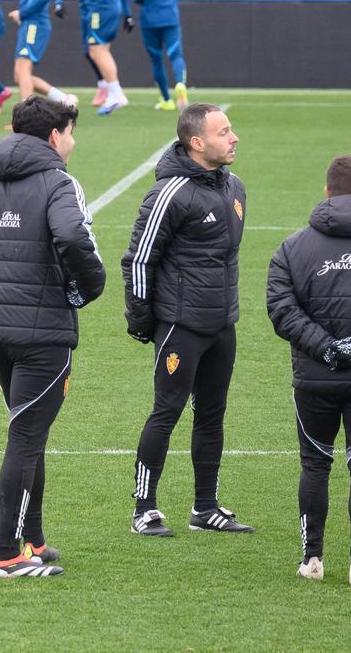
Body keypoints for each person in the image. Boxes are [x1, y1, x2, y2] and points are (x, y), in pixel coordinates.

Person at [0, 96, 105, 577]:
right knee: (26, 438)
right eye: (70, 132)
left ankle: (33, 538)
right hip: (43, 332)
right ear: (54, 136)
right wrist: (87, 288)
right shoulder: (58, 183)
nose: (72, 141)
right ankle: (7, 555)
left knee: (30, 431)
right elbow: (73, 237)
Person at [121, 103, 252, 537]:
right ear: (198, 143)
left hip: (221, 324)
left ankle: (205, 507)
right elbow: (139, 260)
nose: (234, 138)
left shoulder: (235, 188)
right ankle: (144, 508)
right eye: (225, 132)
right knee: (167, 412)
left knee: (212, 415)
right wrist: (143, 321)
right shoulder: (169, 193)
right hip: (180, 325)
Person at [267, 154, 351, 585]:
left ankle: (312, 560)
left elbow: (281, 309)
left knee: (315, 465)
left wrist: (326, 348)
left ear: (326, 192)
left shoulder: (293, 247)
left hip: (314, 377)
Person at [9, 0, 75, 108]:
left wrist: (22, 13)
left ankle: (27, 115)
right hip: (28, 24)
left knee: (23, 69)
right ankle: (63, 99)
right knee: (20, 74)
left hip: (35, 24)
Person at [132, 0, 189, 111]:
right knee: (176, 54)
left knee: (156, 59)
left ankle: (166, 99)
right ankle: (180, 83)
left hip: (150, 18)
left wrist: (142, 0)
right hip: (170, 15)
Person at [53, 0, 108, 107]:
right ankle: (104, 84)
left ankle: (111, 89)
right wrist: (58, 2)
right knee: (88, 51)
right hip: (85, 11)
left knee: (98, 49)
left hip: (100, 10)